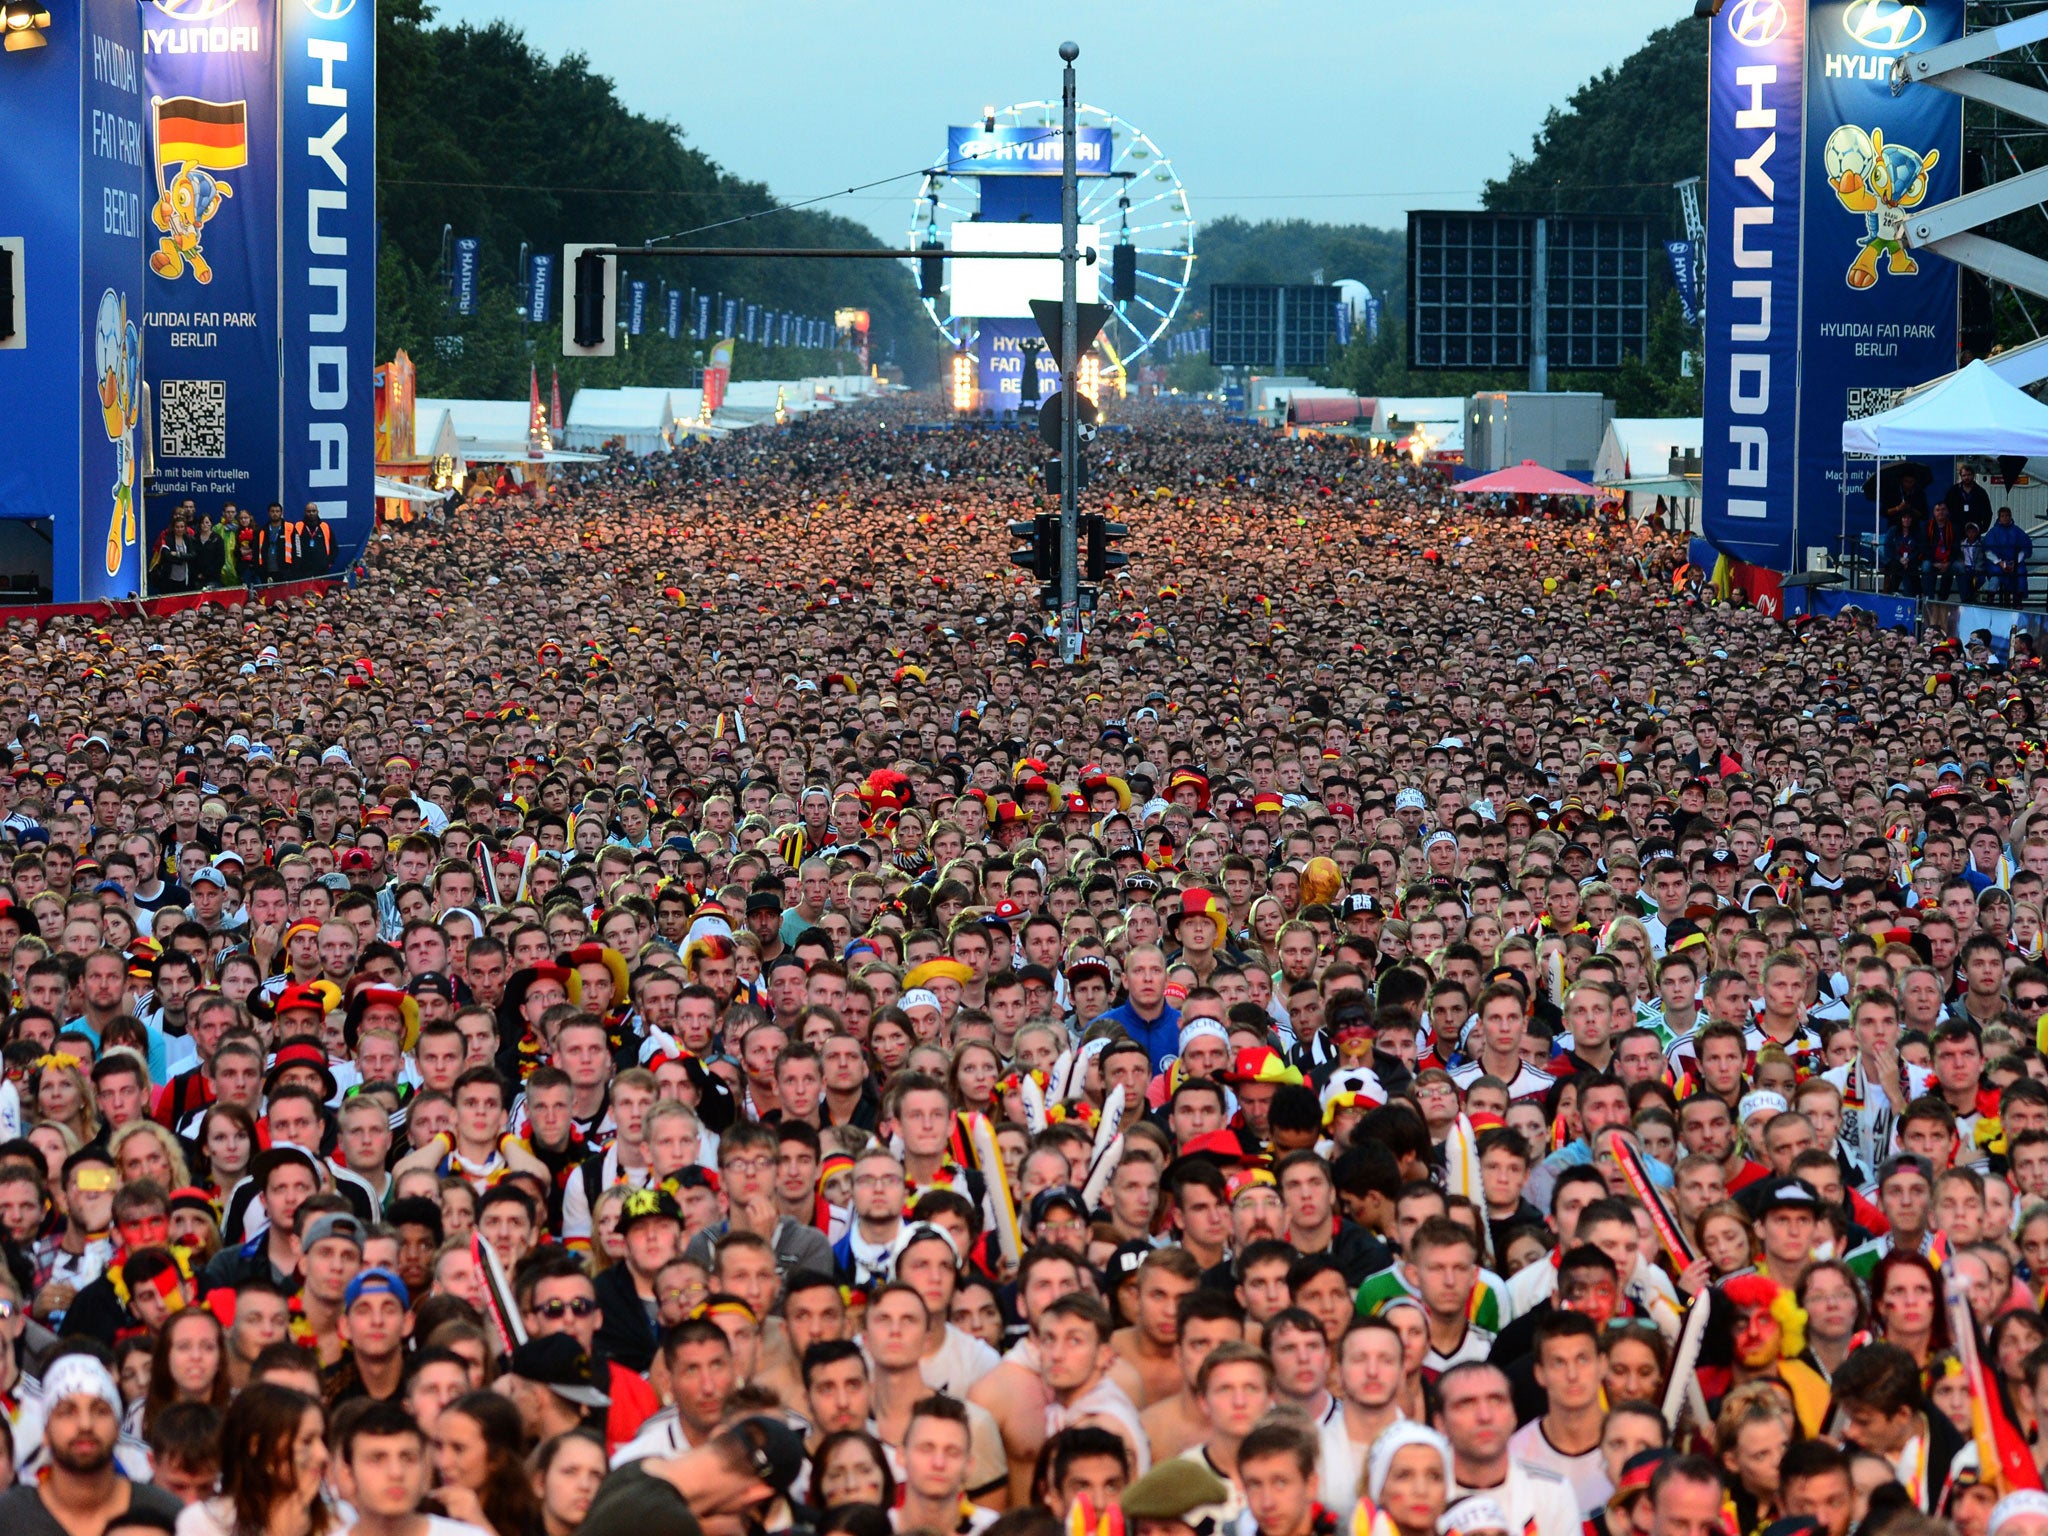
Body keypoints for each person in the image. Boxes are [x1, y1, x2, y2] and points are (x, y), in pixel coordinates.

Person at [0, 1357, 182, 1535]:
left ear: (118, 1427)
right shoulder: (9, 1518)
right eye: (67, 1412)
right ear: (45, 1431)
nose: (85, 1424)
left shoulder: (166, 1512)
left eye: (100, 1411)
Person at [174, 1382, 328, 1536]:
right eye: (307, 1441)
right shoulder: (203, 1522)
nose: (323, 1454)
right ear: (257, 1446)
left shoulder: (338, 1518)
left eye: (322, 1439)